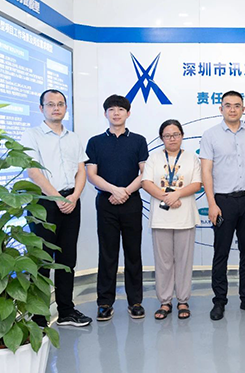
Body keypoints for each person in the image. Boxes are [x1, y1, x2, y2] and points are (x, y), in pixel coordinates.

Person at [21, 89, 92, 327]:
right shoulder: (31, 135)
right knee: (42, 261)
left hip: (71, 200)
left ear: (65, 108)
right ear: (41, 108)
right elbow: (33, 172)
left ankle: (66, 311)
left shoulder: (73, 137)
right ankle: (39, 317)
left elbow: (81, 170)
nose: (56, 108)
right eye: (50, 104)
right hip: (43, 203)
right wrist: (57, 198)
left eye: (60, 104)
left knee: (67, 259)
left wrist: (74, 196)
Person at [199, 90, 245, 321]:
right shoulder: (210, 135)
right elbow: (206, 171)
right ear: (221, 109)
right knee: (221, 253)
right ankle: (219, 301)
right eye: (228, 105)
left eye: (237, 105)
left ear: (243, 109)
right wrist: (211, 203)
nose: (232, 109)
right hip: (223, 202)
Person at [85, 94, 149, 321]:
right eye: (111, 109)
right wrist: (114, 190)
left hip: (132, 202)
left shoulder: (139, 141)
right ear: (105, 114)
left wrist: (125, 192)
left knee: (133, 253)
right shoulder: (95, 142)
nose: (116, 113)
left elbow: (145, 173)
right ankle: (104, 303)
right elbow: (91, 175)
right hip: (106, 203)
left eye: (121, 109)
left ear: (128, 113)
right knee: (107, 253)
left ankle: (136, 302)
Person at [141, 119, 201, 320]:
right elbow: (146, 183)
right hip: (161, 217)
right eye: (167, 135)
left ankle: (183, 300)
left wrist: (177, 195)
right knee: (163, 262)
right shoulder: (154, 158)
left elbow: (197, 184)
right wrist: (167, 197)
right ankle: (165, 301)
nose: (172, 139)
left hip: (185, 216)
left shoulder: (192, 158)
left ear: (182, 136)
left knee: (184, 261)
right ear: (162, 138)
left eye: (176, 134)